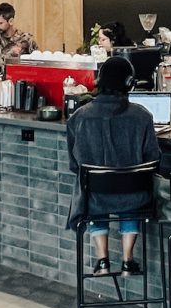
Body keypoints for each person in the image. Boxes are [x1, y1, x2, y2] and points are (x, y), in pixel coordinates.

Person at [65, 56, 160, 277]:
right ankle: (128, 260)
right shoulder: (143, 116)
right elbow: (153, 160)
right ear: (129, 83)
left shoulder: (79, 117)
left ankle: (102, 260)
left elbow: (74, 164)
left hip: (93, 198)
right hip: (135, 197)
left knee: (93, 192)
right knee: (133, 193)